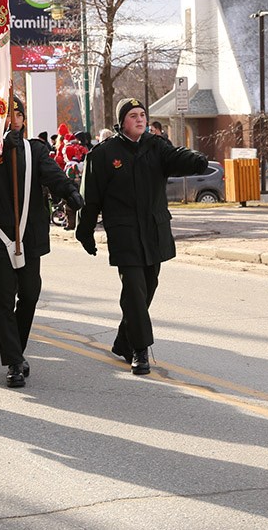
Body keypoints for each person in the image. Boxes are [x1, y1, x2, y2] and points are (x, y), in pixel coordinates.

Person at [0, 97, 82, 388]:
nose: (13, 119)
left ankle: (17, 350)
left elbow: (52, 174)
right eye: (5, 114)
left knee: (30, 294)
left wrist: (69, 192)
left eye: (17, 114)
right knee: (1, 302)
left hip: (29, 235)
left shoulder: (34, 149)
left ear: (24, 119)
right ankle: (13, 362)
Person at [76, 98, 207, 375]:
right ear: (122, 121)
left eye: (142, 114)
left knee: (147, 288)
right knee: (134, 290)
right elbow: (90, 198)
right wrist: (85, 231)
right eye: (133, 115)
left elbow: (176, 157)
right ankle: (140, 350)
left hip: (153, 232)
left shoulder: (156, 146)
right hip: (124, 235)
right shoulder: (104, 153)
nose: (140, 119)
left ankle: (124, 340)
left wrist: (196, 161)